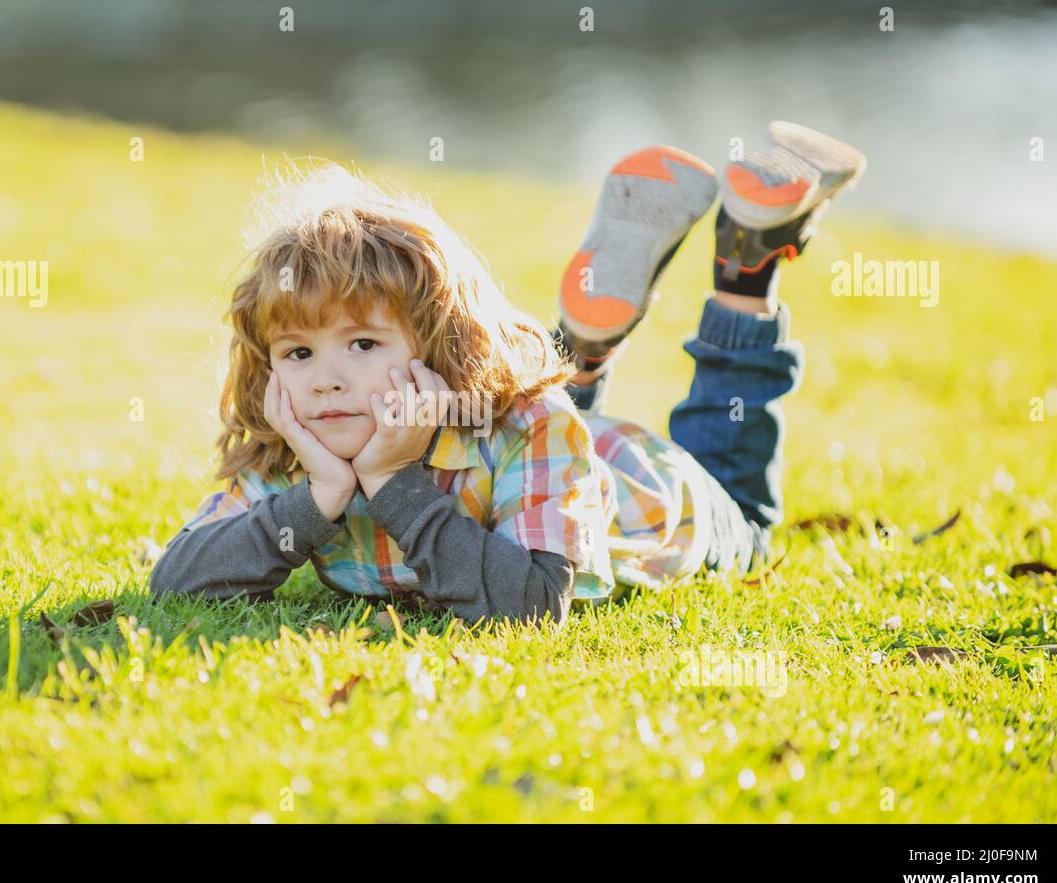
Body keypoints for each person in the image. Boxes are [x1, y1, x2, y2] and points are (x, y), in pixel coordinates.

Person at [148, 122, 865, 626]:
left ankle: (750, 260)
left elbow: (528, 605)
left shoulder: (529, 425)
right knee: (529, 414)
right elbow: (176, 582)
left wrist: (396, 486)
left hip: (653, 494)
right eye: (298, 353)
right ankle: (584, 345)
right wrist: (320, 495)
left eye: (362, 344)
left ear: (434, 345)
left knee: (749, 519)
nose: (326, 379)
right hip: (544, 460)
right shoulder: (303, 444)